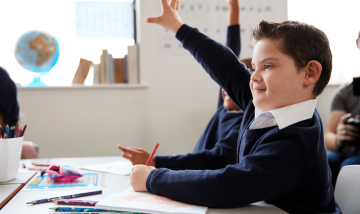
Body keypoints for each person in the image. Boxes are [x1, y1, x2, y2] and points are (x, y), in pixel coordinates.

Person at [128, 0, 341, 213]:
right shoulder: (268, 105)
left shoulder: (295, 145)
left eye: (268, 66)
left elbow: (226, 186)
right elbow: (224, 64)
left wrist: (152, 178)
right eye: (254, 67)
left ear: (309, 73)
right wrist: (177, 27)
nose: (254, 76)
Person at [118, 0, 245, 170]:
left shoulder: (243, 126)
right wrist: (233, 7)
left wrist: (156, 161)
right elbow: (230, 55)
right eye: (225, 86)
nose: (225, 90)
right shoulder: (225, 107)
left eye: (232, 86)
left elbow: (213, 159)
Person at [324, 30, 360, 188]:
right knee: (323, 162)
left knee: (349, 166)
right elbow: (329, 136)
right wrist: (339, 138)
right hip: (350, 150)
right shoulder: (346, 92)